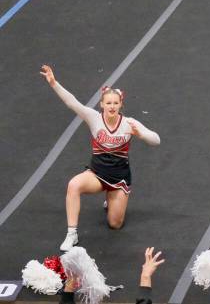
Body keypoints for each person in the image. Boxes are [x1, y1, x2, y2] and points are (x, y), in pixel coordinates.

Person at [41, 65, 161, 251]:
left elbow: (156, 140)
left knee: (115, 224)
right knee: (73, 185)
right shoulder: (94, 118)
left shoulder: (129, 123)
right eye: (108, 103)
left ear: (121, 104)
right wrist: (54, 83)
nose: (112, 106)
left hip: (119, 179)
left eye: (115, 103)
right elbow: (72, 103)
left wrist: (141, 134)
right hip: (96, 174)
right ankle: (72, 233)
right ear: (102, 104)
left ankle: (112, 197)